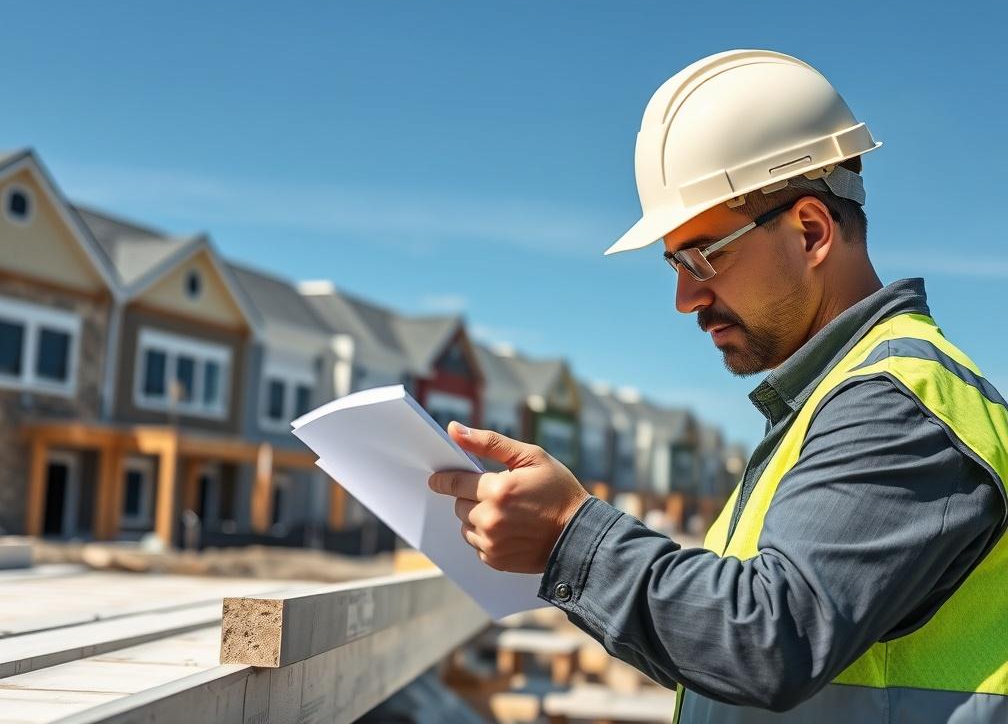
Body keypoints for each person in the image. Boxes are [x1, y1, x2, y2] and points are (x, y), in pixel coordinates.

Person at [427, 50, 1008, 723]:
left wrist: (567, 536)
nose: (684, 297)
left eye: (705, 256)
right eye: (675, 263)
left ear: (812, 231)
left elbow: (767, 639)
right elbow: (721, 654)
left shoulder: (900, 404)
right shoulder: (823, 407)